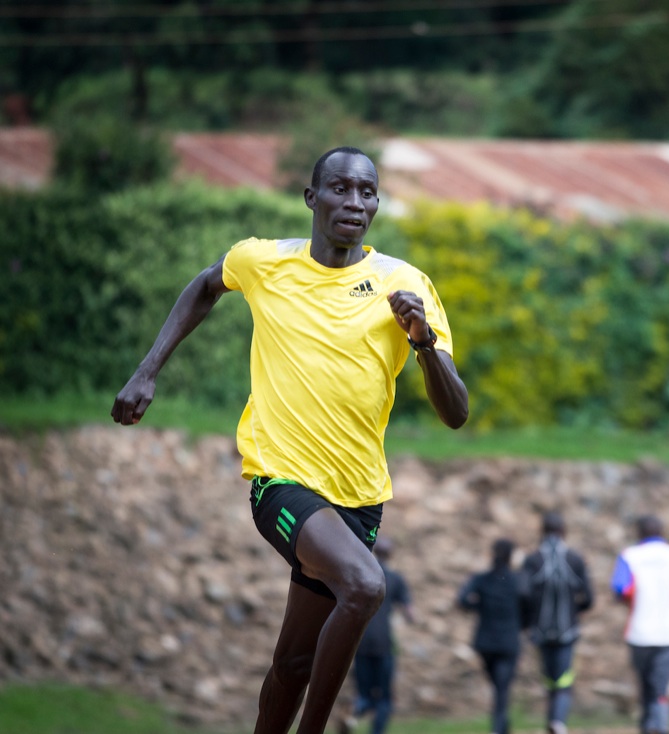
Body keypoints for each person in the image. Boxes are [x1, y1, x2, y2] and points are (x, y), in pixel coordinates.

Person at [111, 146, 469, 734]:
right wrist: (147, 370)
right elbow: (205, 285)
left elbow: (455, 413)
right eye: (341, 188)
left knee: (293, 664)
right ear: (312, 197)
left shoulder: (405, 284)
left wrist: (424, 341)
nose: (355, 202)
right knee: (364, 585)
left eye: (368, 192)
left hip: (359, 497)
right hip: (280, 480)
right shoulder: (262, 261)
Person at [611, 514, 669, 734]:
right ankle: (660, 727)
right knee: (660, 688)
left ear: (639, 533)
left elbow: (620, 588)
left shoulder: (629, 556)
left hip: (639, 633)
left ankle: (647, 726)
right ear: (663, 532)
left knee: (645, 686)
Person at [518, 511, 595, 734]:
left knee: (550, 678)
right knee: (564, 679)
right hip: (567, 631)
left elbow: (522, 593)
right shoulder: (574, 558)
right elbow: (589, 598)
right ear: (564, 531)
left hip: (540, 631)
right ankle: (558, 721)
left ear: (542, 531)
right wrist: (574, 610)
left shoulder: (532, 559)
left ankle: (554, 721)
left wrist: (528, 620)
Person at [339, 536, 416, 734]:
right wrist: (410, 617)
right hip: (384, 643)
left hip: (361, 643)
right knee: (384, 699)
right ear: (390, 554)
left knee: (364, 695)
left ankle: (353, 714)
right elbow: (409, 613)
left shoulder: (361, 576)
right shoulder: (396, 579)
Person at [458, 538, 524, 734]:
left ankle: (502, 726)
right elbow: (529, 603)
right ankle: (498, 728)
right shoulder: (516, 580)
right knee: (502, 687)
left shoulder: (481, 579)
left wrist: (479, 605)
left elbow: (462, 599)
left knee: (498, 684)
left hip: (485, 643)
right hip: (508, 642)